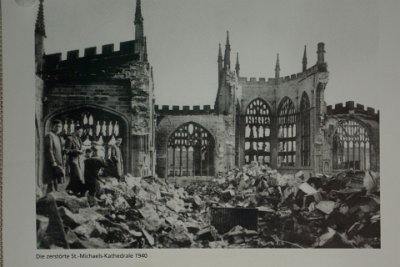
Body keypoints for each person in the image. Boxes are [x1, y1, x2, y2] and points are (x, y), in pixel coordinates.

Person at [43, 120, 65, 193]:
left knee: (55, 182)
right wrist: (53, 162)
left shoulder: (57, 137)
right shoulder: (49, 135)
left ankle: (54, 198)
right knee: (51, 182)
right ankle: (49, 199)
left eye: (60, 126)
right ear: (52, 127)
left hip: (58, 162)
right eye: (56, 126)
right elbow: (49, 149)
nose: (58, 128)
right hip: (52, 163)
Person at [65, 126, 85, 196]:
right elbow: (66, 151)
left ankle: (73, 193)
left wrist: (81, 151)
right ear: (75, 130)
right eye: (80, 131)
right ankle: (75, 192)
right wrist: (76, 151)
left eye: (82, 132)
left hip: (79, 161)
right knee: (79, 178)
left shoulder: (79, 139)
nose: (81, 133)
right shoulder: (70, 138)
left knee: (75, 178)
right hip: (74, 161)